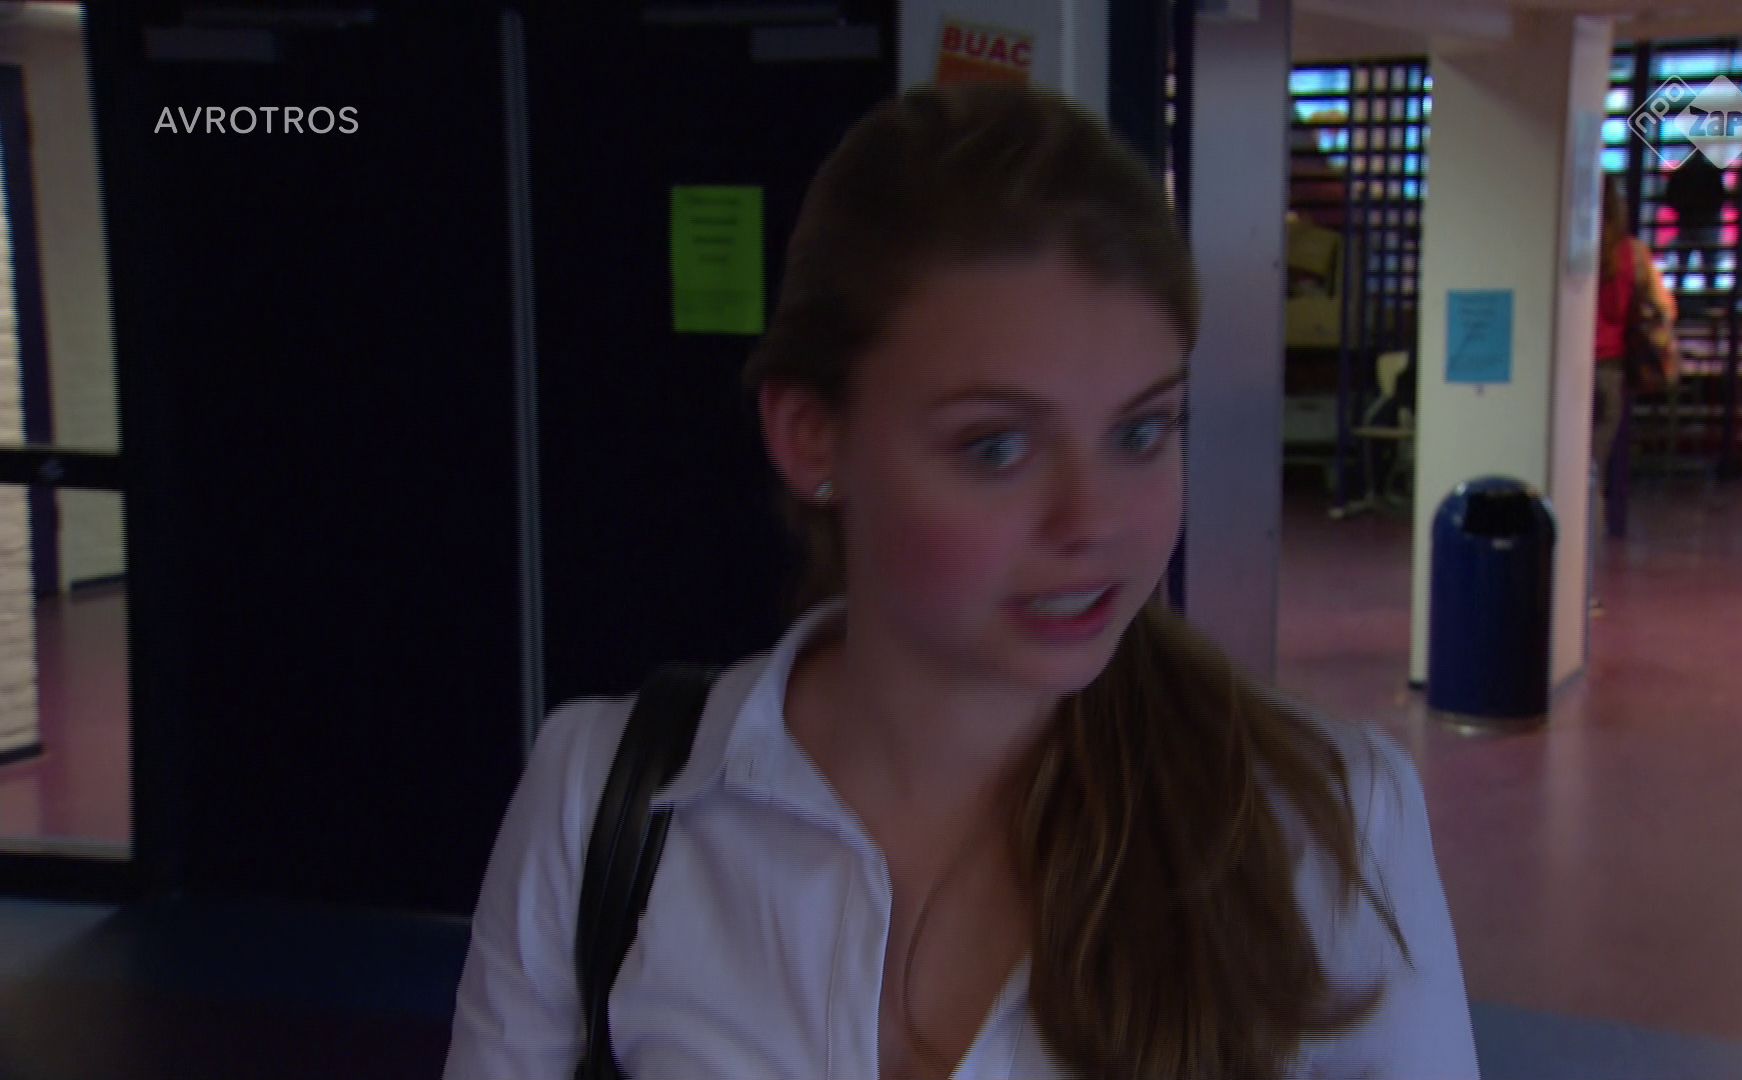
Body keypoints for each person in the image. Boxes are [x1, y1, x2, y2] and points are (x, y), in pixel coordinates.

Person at [444, 83, 1479, 1080]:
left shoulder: (1324, 821)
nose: (1094, 522)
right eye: (996, 447)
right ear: (812, 437)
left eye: (1140, 432)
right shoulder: (604, 803)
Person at [1593, 179, 1677, 555]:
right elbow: (1662, 309)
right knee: (1592, 471)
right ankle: (1586, 564)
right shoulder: (1632, 254)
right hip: (1609, 370)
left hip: (1562, 374)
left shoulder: (1566, 249)